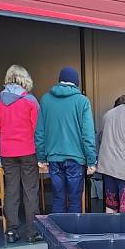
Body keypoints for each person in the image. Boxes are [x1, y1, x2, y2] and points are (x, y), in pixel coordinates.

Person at [0, 65, 41, 243]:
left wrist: (8, 129)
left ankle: (11, 231)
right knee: (30, 191)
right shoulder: (30, 101)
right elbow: (38, 128)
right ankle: (32, 232)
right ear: (24, 79)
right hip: (28, 151)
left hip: (7, 152)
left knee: (11, 190)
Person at [35, 67, 96, 213]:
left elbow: (39, 132)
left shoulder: (45, 99)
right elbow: (87, 135)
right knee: (75, 200)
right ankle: (72, 234)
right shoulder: (82, 101)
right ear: (76, 82)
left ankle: (57, 235)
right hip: (76, 159)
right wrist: (91, 161)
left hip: (54, 158)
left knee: (58, 198)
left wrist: (41, 157)